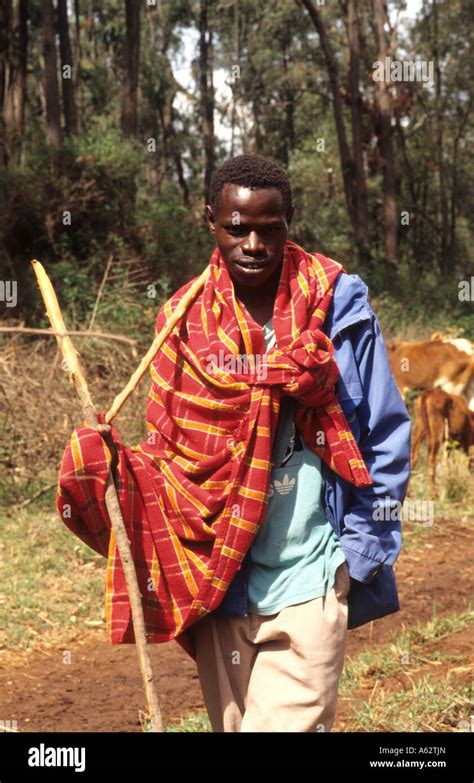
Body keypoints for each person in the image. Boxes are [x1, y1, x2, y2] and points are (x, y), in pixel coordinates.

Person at [57, 153, 411, 733]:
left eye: (269, 230)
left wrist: (361, 549)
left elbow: (385, 429)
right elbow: (168, 455)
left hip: (313, 574)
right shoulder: (182, 319)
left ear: (289, 223)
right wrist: (108, 461)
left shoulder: (336, 304)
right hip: (219, 579)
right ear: (211, 222)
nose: (252, 244)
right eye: (236, 228)